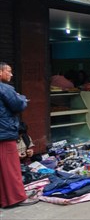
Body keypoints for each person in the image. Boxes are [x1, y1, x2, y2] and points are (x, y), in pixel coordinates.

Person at [0, 62, 37, 207]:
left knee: (3, 168)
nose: (11, 74)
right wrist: (22, 98)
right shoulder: (4, 88)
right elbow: (18, 104)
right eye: (8, 71)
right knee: (11, 168)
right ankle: (17, 198)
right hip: (4, 132)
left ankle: (4, 199)